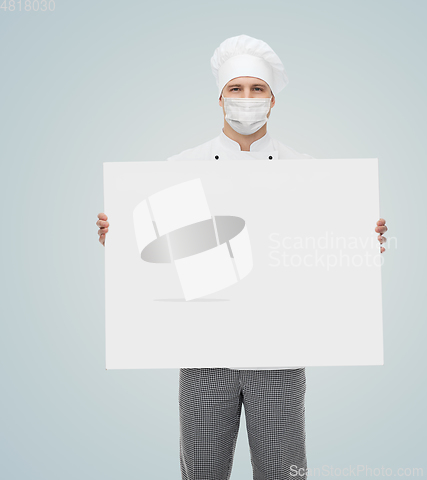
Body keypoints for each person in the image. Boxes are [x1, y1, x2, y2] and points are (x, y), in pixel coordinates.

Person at [96, 34, 388, 480]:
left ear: (273, 100)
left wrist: (362, 244)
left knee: (283, 474)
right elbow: (157, 258)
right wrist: (118, 241)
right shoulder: (179, 168)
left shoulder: (308, 172)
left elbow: (325, 261)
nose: (246, 99)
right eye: (237, 89)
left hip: (280, 357)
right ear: (220, 98)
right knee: (202, 473)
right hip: (203, 354)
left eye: (257, 89)